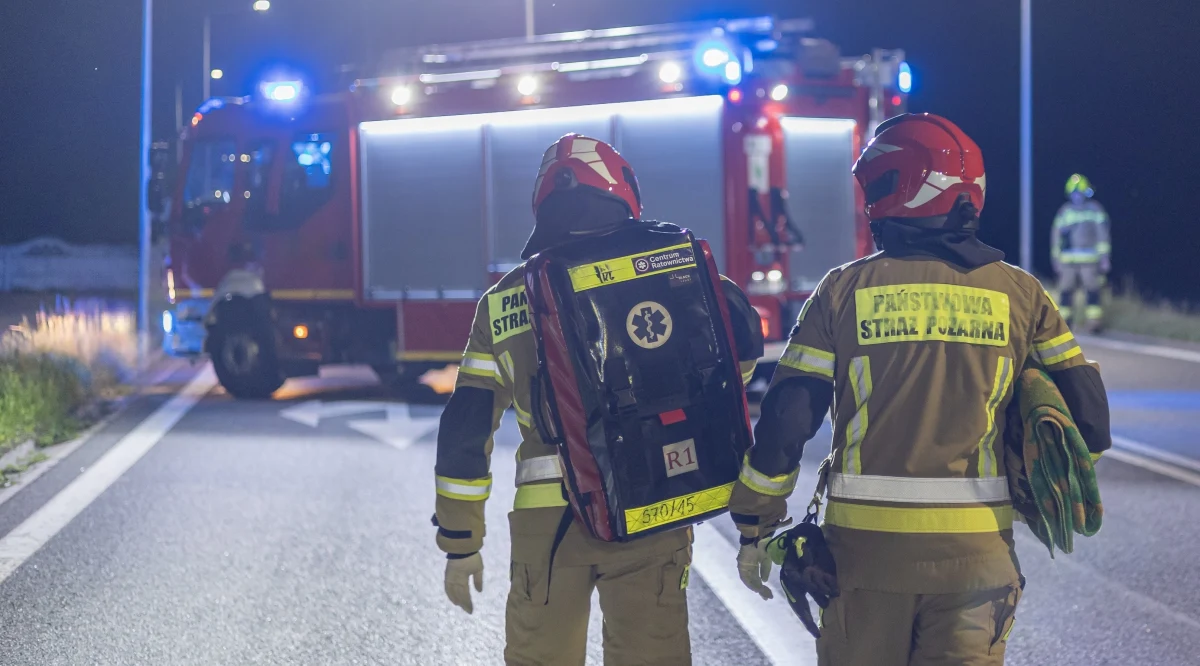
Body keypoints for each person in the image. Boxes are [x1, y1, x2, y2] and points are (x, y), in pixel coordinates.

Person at [727, 114, 1112, 665]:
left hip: (864, 565)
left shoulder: (843, 292)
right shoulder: (1023, 295)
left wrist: (754, 523)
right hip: (977, 567)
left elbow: (788, 422)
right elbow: (1089, 426)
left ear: (897, 189)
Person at [433, 134, 763, 666]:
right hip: (648, 502)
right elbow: (733, 374)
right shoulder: (666, 270)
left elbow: (466, 431)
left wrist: (460, 539)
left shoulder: (502, 302)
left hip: (548, 526)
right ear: (622, 192)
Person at [1052, 174, 1111, 331]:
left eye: (1079, 193)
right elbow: (1056, 237)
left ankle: (1094, 322)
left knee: (1092, 289)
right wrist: (1056, 259)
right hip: (1067, 260)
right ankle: (1064, 322)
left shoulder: (1095, 210)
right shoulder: (1064, 212)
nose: (1077, 196)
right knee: (1065, 290)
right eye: (1074, 194)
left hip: (1089, 260)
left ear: (1086, 193)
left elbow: (1102, 235)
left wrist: (1104, 258)